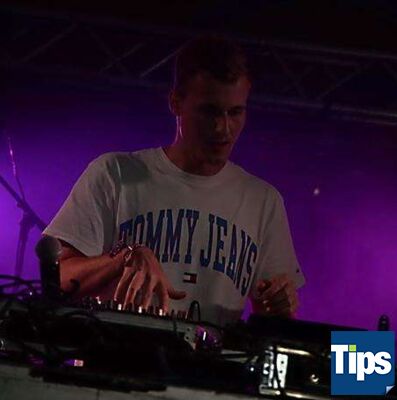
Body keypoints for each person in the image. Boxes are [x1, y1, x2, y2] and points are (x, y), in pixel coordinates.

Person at [43, 35, 305, 326]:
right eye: (209, 111)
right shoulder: (114, 173)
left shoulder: (263, 201)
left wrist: (280, 306)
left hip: (213, 357)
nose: (223, 127)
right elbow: (56, 280)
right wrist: (123, 258)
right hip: (116, 351)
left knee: (345, 353)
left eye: (235, 112)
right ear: (176, 103)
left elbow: (275, 321)